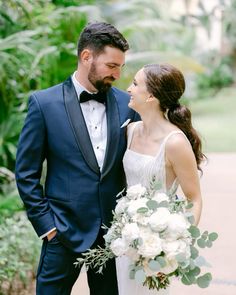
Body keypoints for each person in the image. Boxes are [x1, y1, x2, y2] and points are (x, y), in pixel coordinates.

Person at [15, 22, 138, 295]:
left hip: (113, 238)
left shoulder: (127, 105)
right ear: (86, 57)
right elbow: (26, 173)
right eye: (111, 66)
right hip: (62, 233)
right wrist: (47, 227)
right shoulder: (44, 104)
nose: (117, 74)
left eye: (120, 66)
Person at [116, 63, 204, 294]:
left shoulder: (175, 142)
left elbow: (194, 198)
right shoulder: (131, 131)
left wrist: (174, 245)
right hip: (126, 242)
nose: (129, 88)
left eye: (135, 84)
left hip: (155, 248)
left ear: (151, 95)